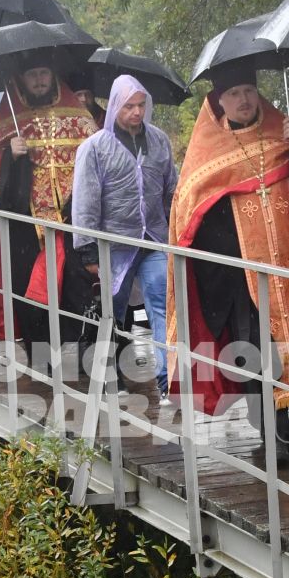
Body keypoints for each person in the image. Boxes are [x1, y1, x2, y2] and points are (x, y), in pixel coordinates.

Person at [167, 70, 289, 462]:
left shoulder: (285, 136)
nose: (243, 99)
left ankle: (281, 436)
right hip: (237, 281)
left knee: (282, 354)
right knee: (254, 356)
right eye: (234, 91)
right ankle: (275, 438)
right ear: (218, 101)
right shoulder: (206, 156)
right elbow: (189, 218)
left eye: (248, 89)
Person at [0, 55, 97, 345]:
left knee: (75, 289)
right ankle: (41, 352)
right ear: (21, 79)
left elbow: (96, 163)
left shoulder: (79, 118)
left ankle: (80, 350)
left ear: (53, 76)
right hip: (25, 223)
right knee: (29, 290)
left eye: (44, 73)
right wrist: (10, 157)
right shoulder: (6, 122)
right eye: (32, 75)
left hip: (70, 221)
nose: (39, 80)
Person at [71, 75, 177, 391]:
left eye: (141, 105)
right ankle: (108, 374)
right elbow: (85, 199)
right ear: (115, 105)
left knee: (161, 301)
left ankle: (166, 379)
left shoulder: (159, 141)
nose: (136, 112)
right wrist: (88, 250)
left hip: (155, 238)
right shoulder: (95, 148)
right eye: (129, 106)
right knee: (113, 310)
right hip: (113, 244)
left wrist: (180, 228)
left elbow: (172, 188)